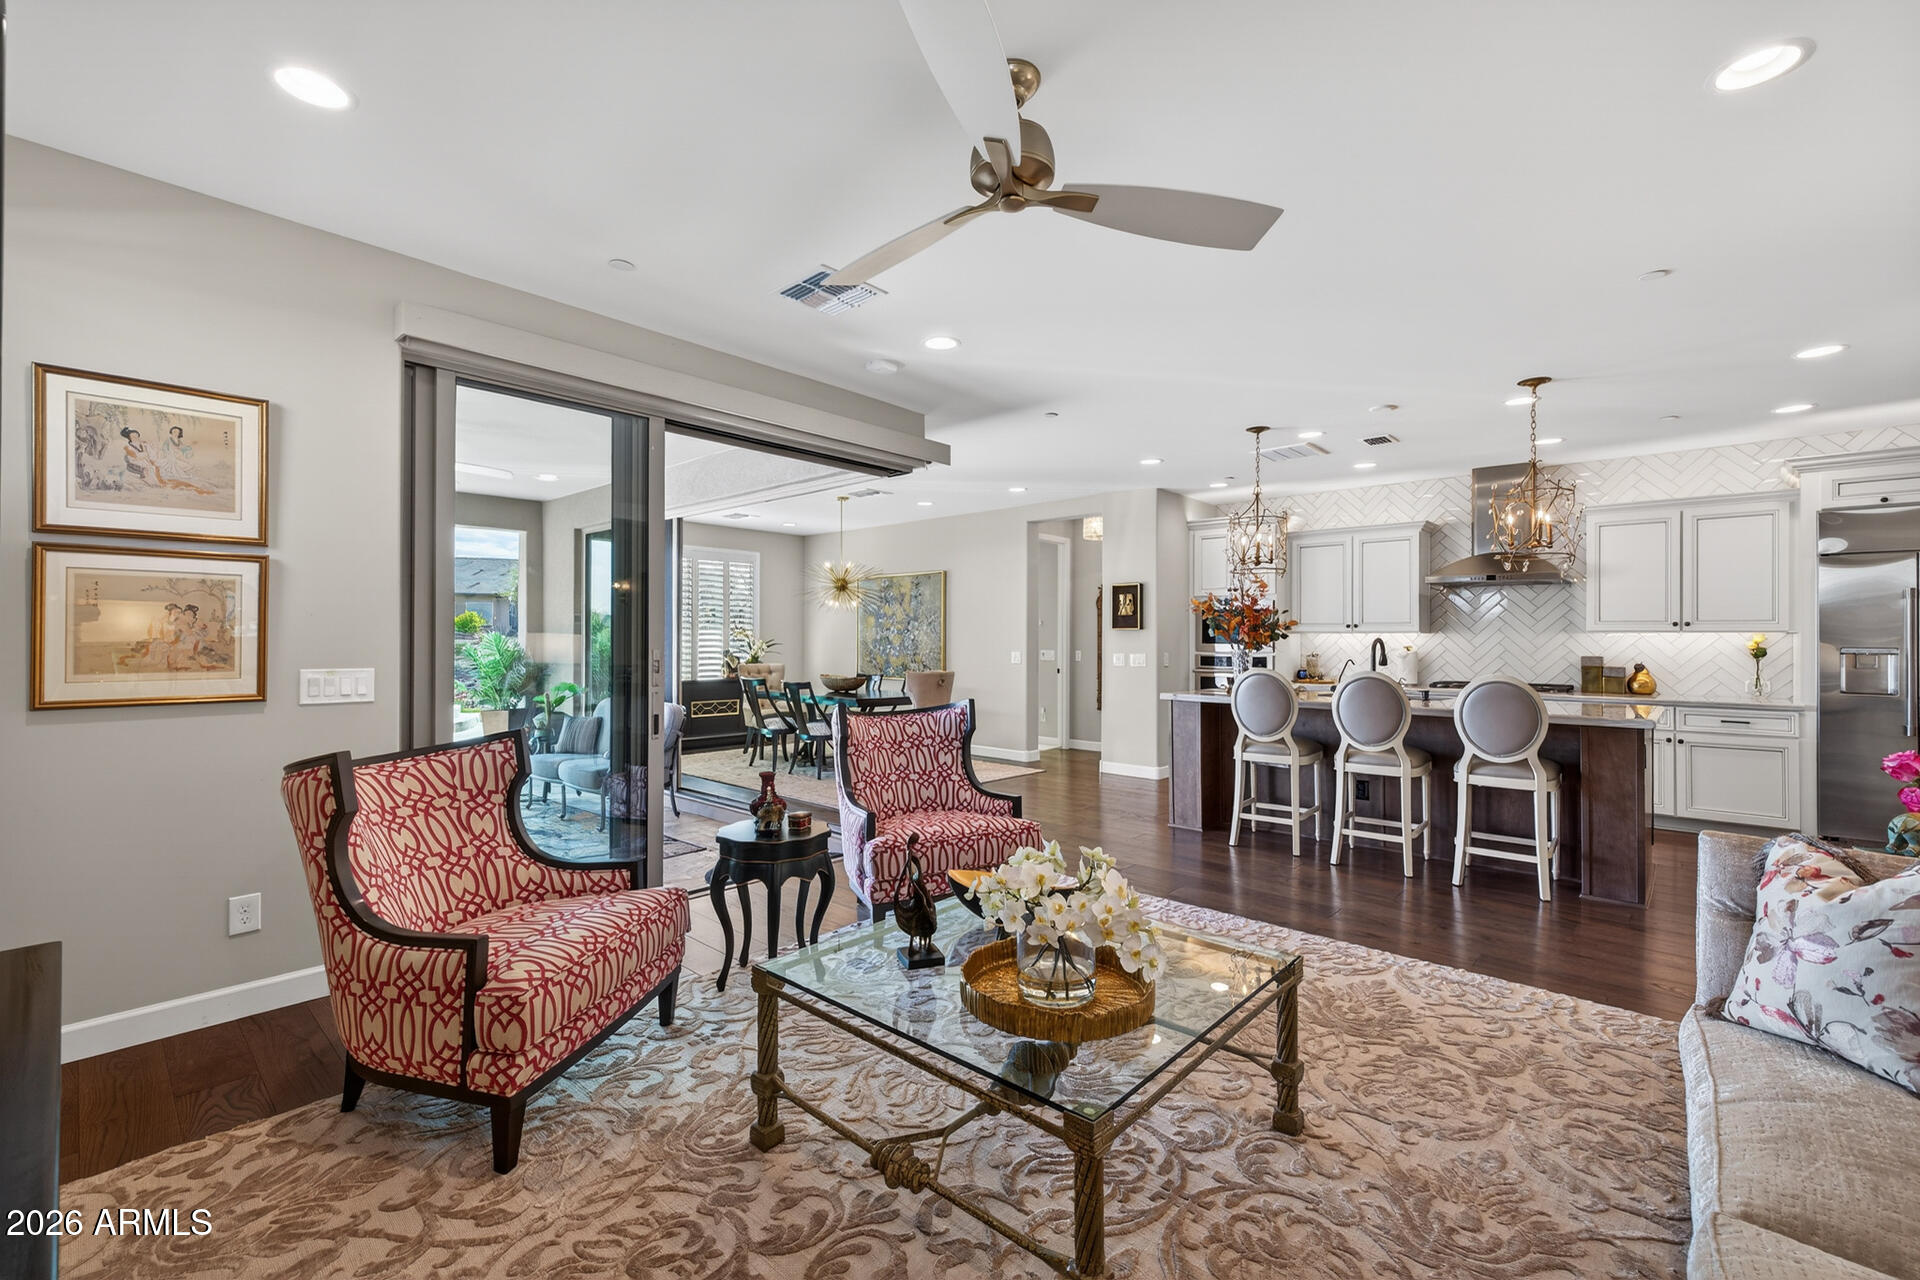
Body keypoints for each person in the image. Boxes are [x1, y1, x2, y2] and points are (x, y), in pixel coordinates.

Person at [153, 424, 213, 495]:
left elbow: (182, 447)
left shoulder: (179, 441)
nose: (175, 433)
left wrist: (191, 445)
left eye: (177, 432)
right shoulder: (168, 440)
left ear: (179, 433)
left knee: (187, 465)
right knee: (172, 465)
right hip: (170, 457)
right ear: (171, 432)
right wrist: (170, 454)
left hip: (176, 456)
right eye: (174, 431)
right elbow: (164, 448)